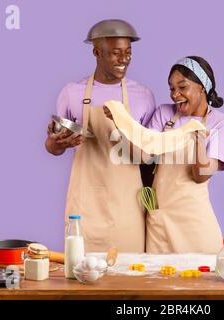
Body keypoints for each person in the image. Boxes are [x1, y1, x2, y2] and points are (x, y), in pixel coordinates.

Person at [45, 19, 155, 252]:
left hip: (128, 205)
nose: (124, 59)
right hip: (84, 206)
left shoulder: (143, 95)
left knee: (129, 276)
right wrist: (55, 143)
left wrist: (152, 204)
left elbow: (149, 155)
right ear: (97, 52)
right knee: (81, 272)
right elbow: (54, 145)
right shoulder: (72, 93)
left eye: (128, 53)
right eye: (116, 53)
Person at [145, 56, 224, 253]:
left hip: (195, 223)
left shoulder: (223, 124)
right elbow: (145, 155)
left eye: (182, 87)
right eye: (171, 88)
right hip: (160, 222)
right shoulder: (164, 114)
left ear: (202, 87)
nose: (175, 94)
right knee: (156, 281)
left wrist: (199, 140)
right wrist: (120, 122)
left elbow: (200, 175)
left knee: (200, 281)